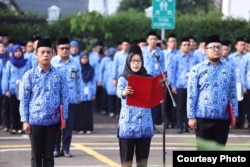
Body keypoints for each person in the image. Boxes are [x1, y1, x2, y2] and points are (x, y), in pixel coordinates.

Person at [19, 38, 69, 167]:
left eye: (48, 52)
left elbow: (65, 97)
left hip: (53, 121)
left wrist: (64, 118)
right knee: (36, 156)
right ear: (36, 54)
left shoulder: (60, 75)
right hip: (35, 121)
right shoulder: (29, 75)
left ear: (53, 53)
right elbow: (24, 99)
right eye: (42, 52)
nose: (45, 55)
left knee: (49, 156)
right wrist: (25, 120)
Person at [187, 34, 238, 150]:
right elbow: (192, 94)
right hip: (203, 117)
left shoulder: (229, 69)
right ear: (205, 50)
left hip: (223, 118)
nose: (216, 50)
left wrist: (234, 115)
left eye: (219, 47)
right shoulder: (197, 69)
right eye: (213, 47)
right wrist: (191, 116)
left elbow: (233, 94)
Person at [116, 44, 153, 167]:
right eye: (133, 61)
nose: (136, 64)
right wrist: (123, 92)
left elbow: (156, 97)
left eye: (139, 61)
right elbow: (118, 92)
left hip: (145, 125)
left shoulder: (148, 78)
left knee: (143, 162)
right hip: (128, 126)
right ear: (128, 62)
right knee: (126, 162)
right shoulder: (123, 78)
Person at [51, 37, 83, 157]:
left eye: (67, 48)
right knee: (56, 125)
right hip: (56, 100)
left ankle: (66, 148)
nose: (65, 50)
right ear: (57, 49)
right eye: (62, 48)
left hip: (71, 98)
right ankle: (55, 148)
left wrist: (80, 95)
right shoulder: (53, 62)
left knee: (68, 126)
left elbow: (79, 81)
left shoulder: (75, 62)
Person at [2, 44, 31, 134]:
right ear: (13, 53)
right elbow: (6, 77)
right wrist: (6, 90)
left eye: (19, 51)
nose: (18, 53)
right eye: (16, 51)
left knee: (22, 109)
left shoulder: (27, 62)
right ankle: (13, 127)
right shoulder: (9, 63)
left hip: (23, 90)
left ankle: (21, 126)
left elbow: (30, 75)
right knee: (13, 109)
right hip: (12, 89)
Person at [74, 51, 96, 134]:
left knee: (88, 111)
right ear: (80, 59)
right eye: (83, 58)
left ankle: (88, 128)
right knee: (80, 111)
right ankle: (80, 128)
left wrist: (94, 93)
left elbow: (94, 81)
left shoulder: (91, 69)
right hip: (80, 92)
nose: (84, 60)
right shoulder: (77, 69)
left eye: (86, 58)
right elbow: (75, 81)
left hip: (89, 92)